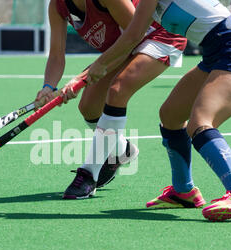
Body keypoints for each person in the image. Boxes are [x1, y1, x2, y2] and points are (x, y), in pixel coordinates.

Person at [63, 0, 231, 221]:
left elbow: (133, 36)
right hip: (214, 56)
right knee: (171, 115)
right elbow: (133, 34)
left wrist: (98, 66)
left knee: (201, 122)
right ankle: (184, 192)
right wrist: (94, 69)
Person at [36, 0, 187, 199]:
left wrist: (83, 76)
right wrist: (48, 87)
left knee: (118, 90)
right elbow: (56, 55)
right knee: (89, 107)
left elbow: (136, 34)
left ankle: (89, 174)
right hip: (125, 44)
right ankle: (121, 149)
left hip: (158, 35)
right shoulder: (57, 6)